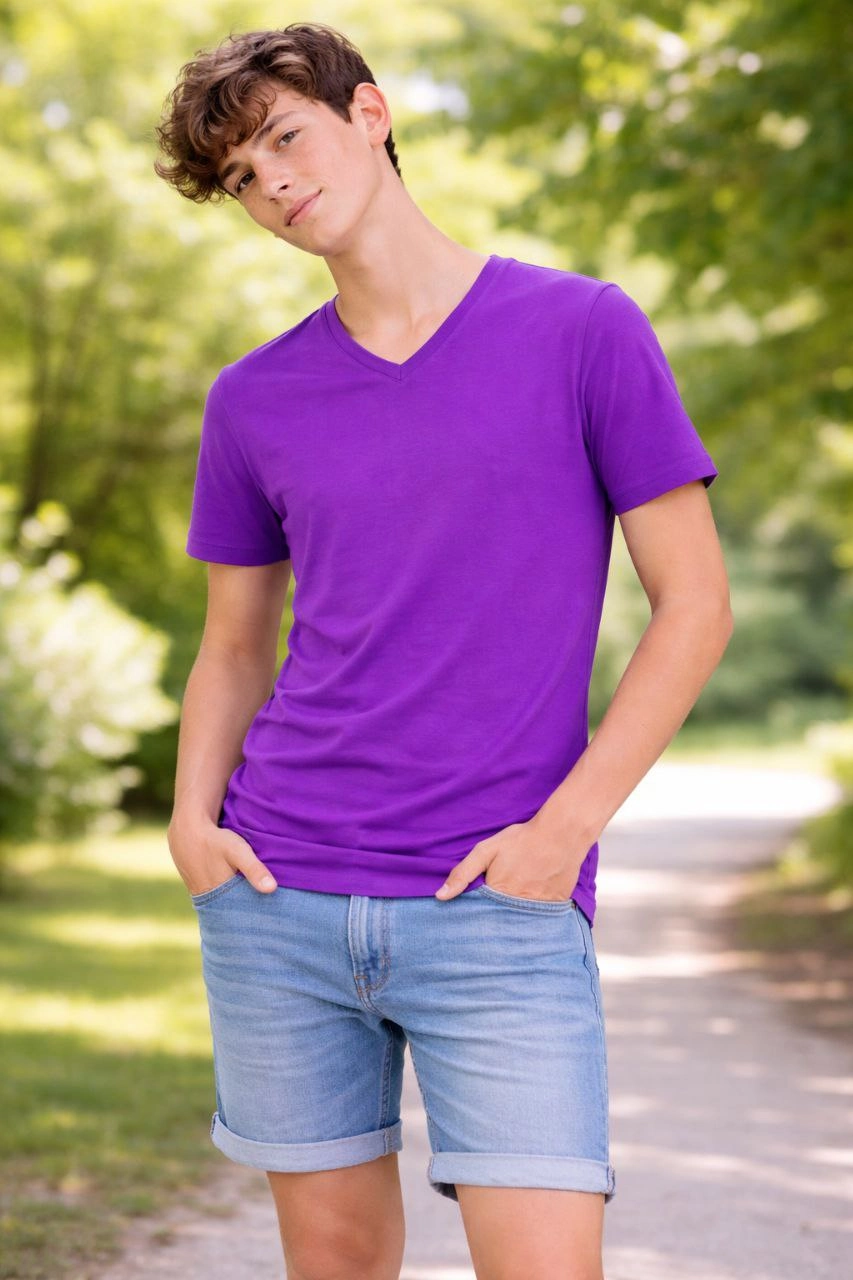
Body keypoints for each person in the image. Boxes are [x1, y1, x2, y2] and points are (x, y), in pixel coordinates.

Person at [157, 20, 733, 1280]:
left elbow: (694, 605)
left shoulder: (581, 331)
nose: (273, 183)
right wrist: (192, 822)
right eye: (243, 176)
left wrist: (564, 831)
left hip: (497, 897)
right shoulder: (252, 399)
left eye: (285, 138)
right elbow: (233, 646)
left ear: (369, 114)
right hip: (280, 894)